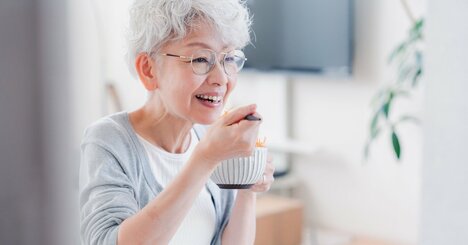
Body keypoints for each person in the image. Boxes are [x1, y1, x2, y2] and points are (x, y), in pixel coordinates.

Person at [79, 0, 275, 244]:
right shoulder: (109, 140)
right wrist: (205, 159)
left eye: (229, 58)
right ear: (149, 70)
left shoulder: (209, 137)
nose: (221, 78)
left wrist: (247, 188)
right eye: (201, 59)